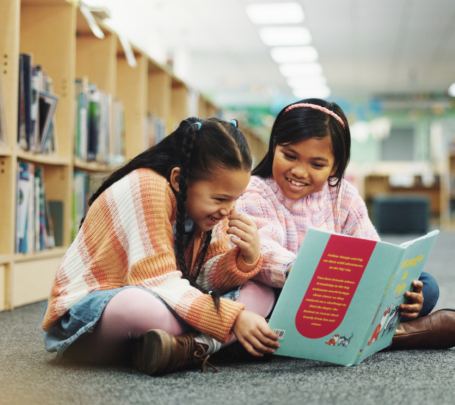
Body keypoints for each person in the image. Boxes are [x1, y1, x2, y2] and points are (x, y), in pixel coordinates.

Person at [41, 117, 280, 376]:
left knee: (263, 290)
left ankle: (182, 348)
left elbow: (204, 277)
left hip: (163, 300)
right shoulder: (147, 187)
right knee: (138, 307)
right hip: (88, 315)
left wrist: (245, 258)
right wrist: (233, 319)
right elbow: (158, 281)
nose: (228, 210)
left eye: (236, 199)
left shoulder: (210, 211)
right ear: (179, 180)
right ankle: (208, 343)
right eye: (221, 198)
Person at [233, 99, 455, 350]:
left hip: (344, 291)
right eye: (289, 156)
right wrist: (298, 270)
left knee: (425, 284)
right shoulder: (254, 190)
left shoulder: (342, 195)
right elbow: (262, 249)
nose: (300, 172)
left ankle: (342, 334)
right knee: (259, 299)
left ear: (335, 165)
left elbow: (371, 248)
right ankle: (391, 334)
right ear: (274, 147)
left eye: (317, 164)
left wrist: (396, 286)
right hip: (289, 290)